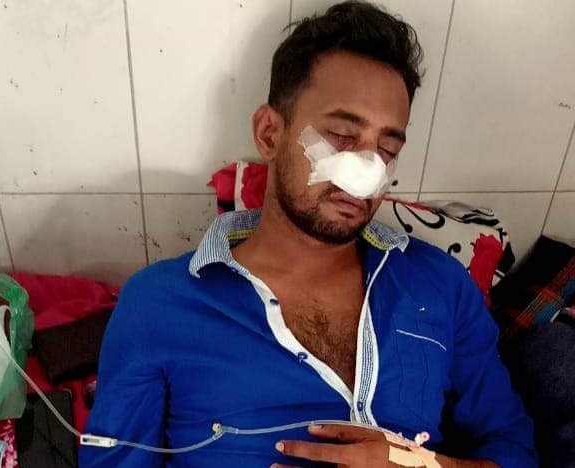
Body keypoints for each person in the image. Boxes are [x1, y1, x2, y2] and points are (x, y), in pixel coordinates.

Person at [79, 2, 536, 467]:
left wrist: (422, 466)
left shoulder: (439, 284)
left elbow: (516, 454)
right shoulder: (159, 306)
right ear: (269, 134)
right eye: (341, 136)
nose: (367, 171)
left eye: (386, 148)